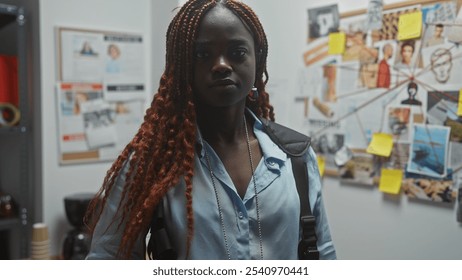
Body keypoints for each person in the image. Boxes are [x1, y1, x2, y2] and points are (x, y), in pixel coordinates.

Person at [85, 0, 336, 260]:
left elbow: (323, 252)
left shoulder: (294, 156)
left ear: (257, 59)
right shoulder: (153, 161)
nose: (222, 65)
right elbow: (107, 258)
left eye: (237, 52)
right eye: (202, 54)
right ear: (182, 66)